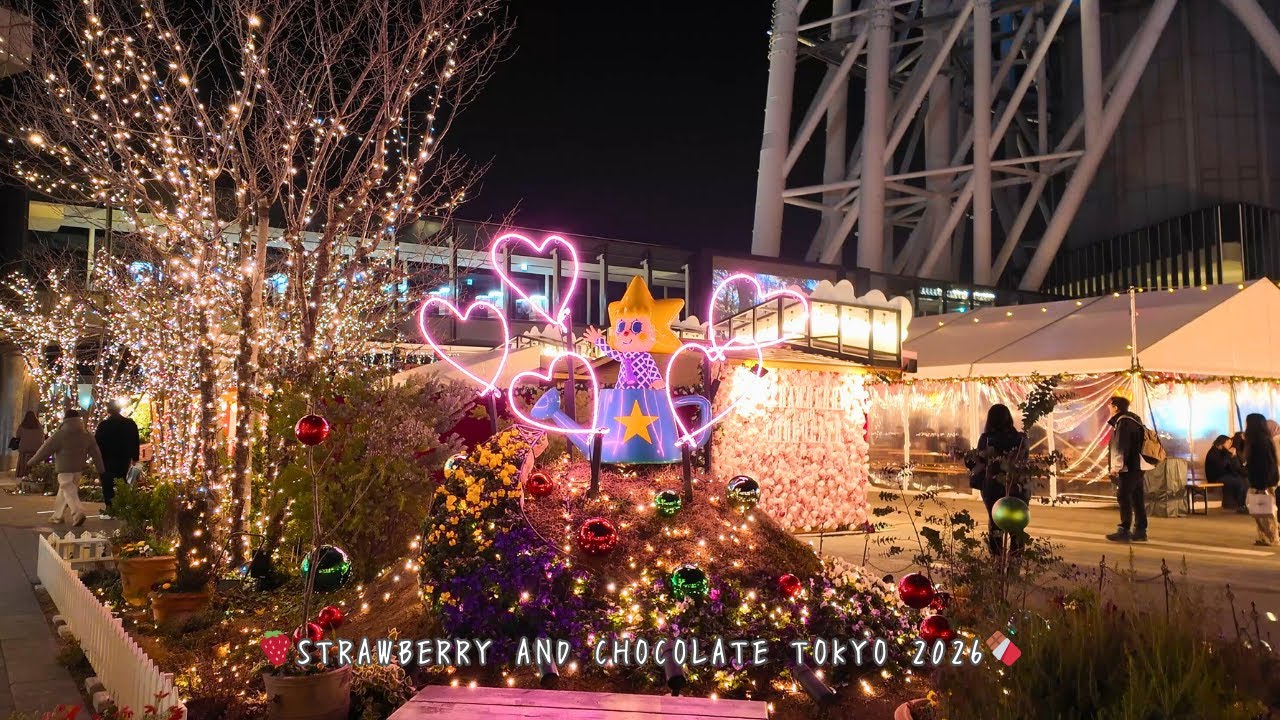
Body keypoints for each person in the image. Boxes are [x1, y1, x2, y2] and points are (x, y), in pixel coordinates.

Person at [965, 404, 1029, 556]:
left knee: (995, 523)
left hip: (993, 486)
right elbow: (1024, 460)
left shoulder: (987, 439)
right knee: (1017, 524)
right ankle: (1015, 561)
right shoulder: (1021, 439)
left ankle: (997, 562)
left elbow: (979, 461)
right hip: (1018, 485)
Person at [31, 409, 106, 527]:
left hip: (64, 468)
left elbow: (45, 449)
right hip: (78, 468)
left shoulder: (60, 433)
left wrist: (32, 462)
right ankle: (57, 516)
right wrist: (101, 468)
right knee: (65, 491)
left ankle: (78, 512)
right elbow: (95, 452)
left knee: (68, 489)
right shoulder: (86, 434)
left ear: (65, 419)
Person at [1106, 396, 1148, 542]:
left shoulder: (1123, 422)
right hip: (1138, 466)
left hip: (1128, 467)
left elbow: (1120, 446)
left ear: (1116, 407)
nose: (1109, 409)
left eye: (1110, 406)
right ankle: (1140, 530)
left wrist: (1116, 467)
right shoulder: (1134, 420)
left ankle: (1124, 529)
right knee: (1137, 497)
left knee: (1123, 496)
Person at [93, 400, 141, 518]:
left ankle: (110, 508)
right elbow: (135, 441)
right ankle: (122, 506)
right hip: (124, 457)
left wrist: (96, 458)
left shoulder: (103, 425)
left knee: (107, 483)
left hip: (107, 458)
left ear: (108, 410)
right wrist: (135, 457)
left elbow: (96, 443)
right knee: (122, 481)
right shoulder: (129, 424)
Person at [1243, 413, 1280, 545]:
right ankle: (1263, 537)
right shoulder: (1262, 439)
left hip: (1263, 481)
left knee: (1265, 510)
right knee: (1260, 510)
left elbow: (1264, 465)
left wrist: (1261, 485)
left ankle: (1272, 537)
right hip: (1263, 480)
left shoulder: (1260, 442)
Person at [1205, 434, 1248, 513]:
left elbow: (1232, 467)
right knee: (1239, 482)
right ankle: (1240, 505)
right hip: (1216, 477)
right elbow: (1221, 466)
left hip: (1224, 476)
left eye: (1230, 443)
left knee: (1242, 480)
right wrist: (1229, 455)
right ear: (1221, 443)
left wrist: (1234, 456)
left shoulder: (1223, 452)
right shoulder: (1213, 452)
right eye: (1228, 443)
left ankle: (1241, 505)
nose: (1230, 445)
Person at [14, 411, 46, 478]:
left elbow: (17, 436)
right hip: (36, 451)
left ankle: (22, 475)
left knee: (23, 468)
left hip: (24, 451)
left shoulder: (22, 426)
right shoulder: (39, 427)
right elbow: (42, 438)